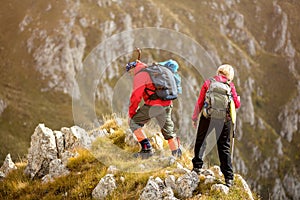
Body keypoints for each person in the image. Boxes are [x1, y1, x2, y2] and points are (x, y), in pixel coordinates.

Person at [191, 64, 241, 187]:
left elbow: (200, 101)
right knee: (224, 147)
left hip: (208, 117)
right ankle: (228, 178)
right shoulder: (230, 86)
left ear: (218, 72)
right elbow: (236, 104)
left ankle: (197, 167)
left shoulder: (208, 82)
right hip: (224, 120)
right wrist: (238, 99)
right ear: (230, 76)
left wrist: (195, 117)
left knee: (201, 141)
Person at [126, 60, 182, 159]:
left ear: (133, 68)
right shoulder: (152, 70)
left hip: (154, 105)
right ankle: (177, 154)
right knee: (168, 131)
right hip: (167, 103)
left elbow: (136, 96)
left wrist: (131, 113)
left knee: (134, 122)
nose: (130, 74)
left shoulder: (140, 75)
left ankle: (146, 150)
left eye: (130, 72)